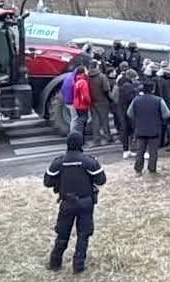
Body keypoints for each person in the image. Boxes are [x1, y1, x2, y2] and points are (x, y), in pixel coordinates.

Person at [43, 132, 106, 274]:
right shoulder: (88, 161)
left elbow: (47, 182)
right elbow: (101, 179)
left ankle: (55, 263)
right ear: (81, 144)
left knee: (62, 234)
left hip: (66, 202)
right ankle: (78, 266)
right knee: (83, 235)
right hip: (85, 202)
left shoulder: (59, 162)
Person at [126, 81, 170, 175]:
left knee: (140, 150)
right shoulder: (159, 100)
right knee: (153, 151)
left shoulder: (136, 100)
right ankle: (152, 169)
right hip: (154, 129)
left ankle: (138, 169)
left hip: (140, 129)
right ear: (153, 89)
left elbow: (129, 113)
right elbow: (166, 114)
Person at [87, 61, 113, 146]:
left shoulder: (87, 77)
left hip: (92, 101)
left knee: (95, 121)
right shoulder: (102, 76)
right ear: (97, 66)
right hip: (102, 101)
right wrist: (111, 99)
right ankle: (107, 137)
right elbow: (106, 89)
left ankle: (96, 139)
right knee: (104, 120)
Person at [116, 69, 139, 159]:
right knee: (128, 130)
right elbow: (131, 98)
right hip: (127, 111)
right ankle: (128, 150)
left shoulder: (121, 82)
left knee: (125, 130)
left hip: (121, 109)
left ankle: (126, 150)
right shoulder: (128, 86)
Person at [72, 65, 92, 135]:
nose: (87, 71)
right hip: (82, 105)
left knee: (80, 119)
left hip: (77, 104)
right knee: (83, 120)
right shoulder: (83, 82)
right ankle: (80, 136)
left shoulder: (77, 80)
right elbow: (85, 95)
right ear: (83, 72)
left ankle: (80, 136)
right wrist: (89, 102)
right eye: (86, 70)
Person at [60, 67, 79, 132]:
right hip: (71, 102)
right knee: (75, 118)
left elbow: (62, 90)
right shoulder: (73, 80)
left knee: (73, 117)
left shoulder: (68, 77)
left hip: (67, 101)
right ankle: (73, 132)